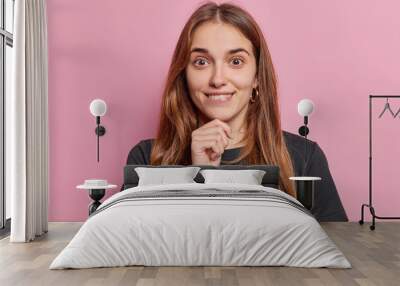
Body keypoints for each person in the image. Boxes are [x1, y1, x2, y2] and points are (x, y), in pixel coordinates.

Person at [125, 2, 348, 222]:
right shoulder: (147, 159)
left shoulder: (304, 157)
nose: (218, 79)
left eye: (236, 61)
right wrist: (200, 173)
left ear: (257, 78)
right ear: (183, 74)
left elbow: (336, 247)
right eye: (201, 62)